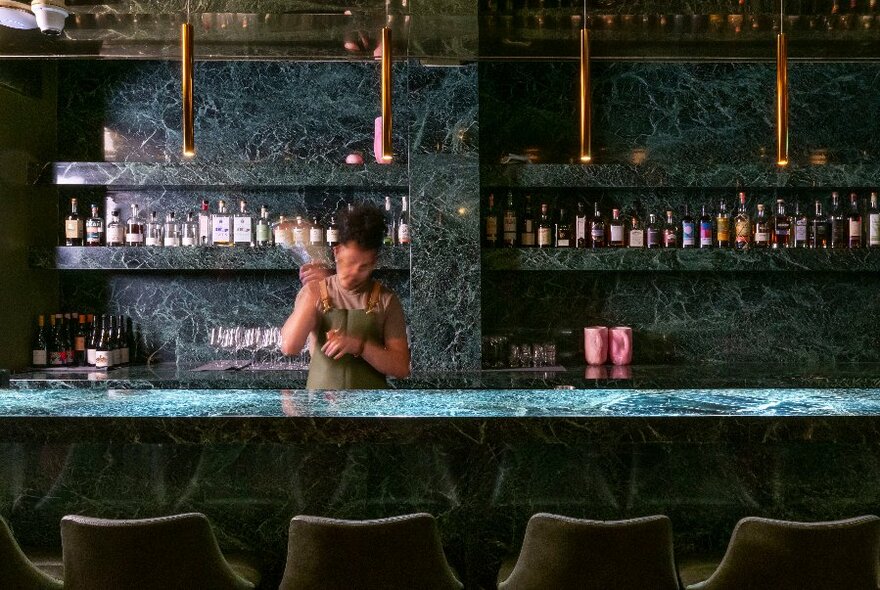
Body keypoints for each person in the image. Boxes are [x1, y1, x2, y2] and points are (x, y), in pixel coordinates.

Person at [280, 204, 410, 389]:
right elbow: (289, 347)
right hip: (320, 409)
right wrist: (312, 293)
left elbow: (401, 368)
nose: (354, 273)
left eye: (363, 267)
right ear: (337, 251)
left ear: (374, 262)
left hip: (369, 412)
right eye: (349, 263)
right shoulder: (312, 292)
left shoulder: (387, 300)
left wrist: (359, 346)